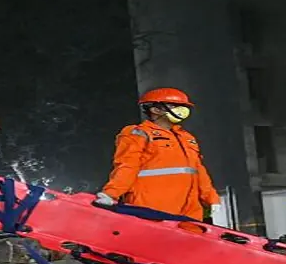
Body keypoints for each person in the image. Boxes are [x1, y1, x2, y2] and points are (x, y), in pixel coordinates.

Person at [94, 87, 222, 223]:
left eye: (183, 106)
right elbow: (127, 166)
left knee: (189, 242)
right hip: (152, 206)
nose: (182, 110)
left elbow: (199, 171)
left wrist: (211, 198)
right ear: (155, 109)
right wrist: (111, 194)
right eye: (174, 105)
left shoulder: (186, 137)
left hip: (189, 209)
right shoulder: (138, 133)